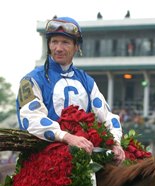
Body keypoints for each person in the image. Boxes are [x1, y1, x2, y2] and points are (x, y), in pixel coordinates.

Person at [16, 16, 125, 164]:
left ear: (77, 47)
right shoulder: (32, 80)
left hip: (83, 156)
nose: (58, 48)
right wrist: (67, 137)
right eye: (54, 42)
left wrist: (116, 143)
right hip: (43, 158)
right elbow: (31, 118)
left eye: (65, 42)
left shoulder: (87, 81)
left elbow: (108, 117)